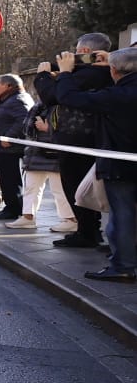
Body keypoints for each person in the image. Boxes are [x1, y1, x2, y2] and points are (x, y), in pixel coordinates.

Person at [53, 47, 137, 281]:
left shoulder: (118, 95)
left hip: (122, 166)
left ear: (113, 70)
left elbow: (69, 97)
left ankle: (123, 266)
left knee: (122, 217)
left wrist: (66, 73)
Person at [34, 34, 114, 250]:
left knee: (77, 186)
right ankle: (89, 231)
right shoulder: (106, 73)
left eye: (77, 51)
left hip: (78, 139)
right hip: (92, 138)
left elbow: (54, 96)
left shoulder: (90, 74)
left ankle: (87, 233)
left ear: (85, 52)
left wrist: (43, 76)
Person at [8, 99, 75, 232]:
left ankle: (70, 219)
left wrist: (47, 128)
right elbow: (26, 128)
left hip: (54, 154)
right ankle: (28, 216)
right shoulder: (39, 106)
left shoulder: (63, 106)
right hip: (36, 152)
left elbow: (69, 130)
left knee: (59, 189)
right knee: (31, 186)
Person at [0, 74, 35, 223]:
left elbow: (23, 119)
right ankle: (10, 206)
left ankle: (13, 208)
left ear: (8, 86)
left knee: (10, 178)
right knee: (6, 178)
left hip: (10, 147)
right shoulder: (7, 99)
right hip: (3, 146)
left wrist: (9, 136)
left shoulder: (17, 100)